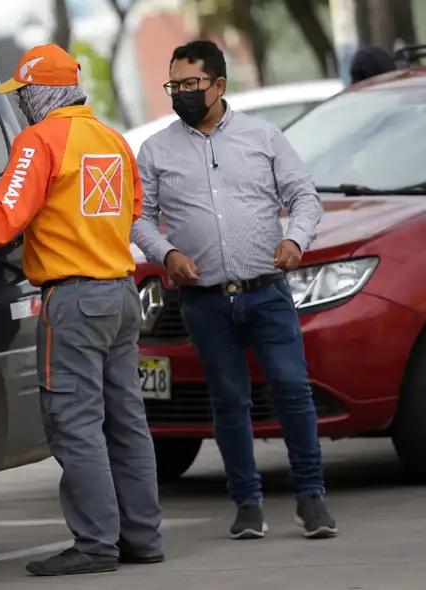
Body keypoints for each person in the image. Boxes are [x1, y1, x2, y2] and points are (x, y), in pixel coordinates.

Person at [0, 43, 163, 577]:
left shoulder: (41, 141)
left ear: (42, 93)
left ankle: (95, 545)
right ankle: (143, 537)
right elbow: (132, 211)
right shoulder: (110, 139)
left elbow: (7, 215)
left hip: (75, 303)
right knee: (127, 420)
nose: (22, 105)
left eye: (25, 94)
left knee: (74, 423)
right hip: (119, 295)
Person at [130, 40, 336, 541]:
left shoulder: (263, 137)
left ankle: (311, 497)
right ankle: (247, 503)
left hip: (267, 293)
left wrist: (295, 238)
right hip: (203, 301)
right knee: (227, 402)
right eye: (174, 86)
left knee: (291, 389)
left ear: (219, 85)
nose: (180, 94)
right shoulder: (156, 150)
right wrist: (166, 254)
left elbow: (304, 196)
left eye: (190, 85)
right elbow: (137, 217)